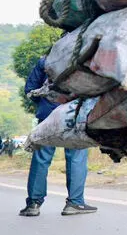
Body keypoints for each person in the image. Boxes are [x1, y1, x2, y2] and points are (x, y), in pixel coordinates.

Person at [18, 56, 97, 217]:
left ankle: (33, 203)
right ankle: (74, 203)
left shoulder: (45, 61)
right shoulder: (89, 58)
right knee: (77, 156)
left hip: (47, 115)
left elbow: (30, 89)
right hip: (75, 115)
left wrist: (46, 104)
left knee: (41, 158)